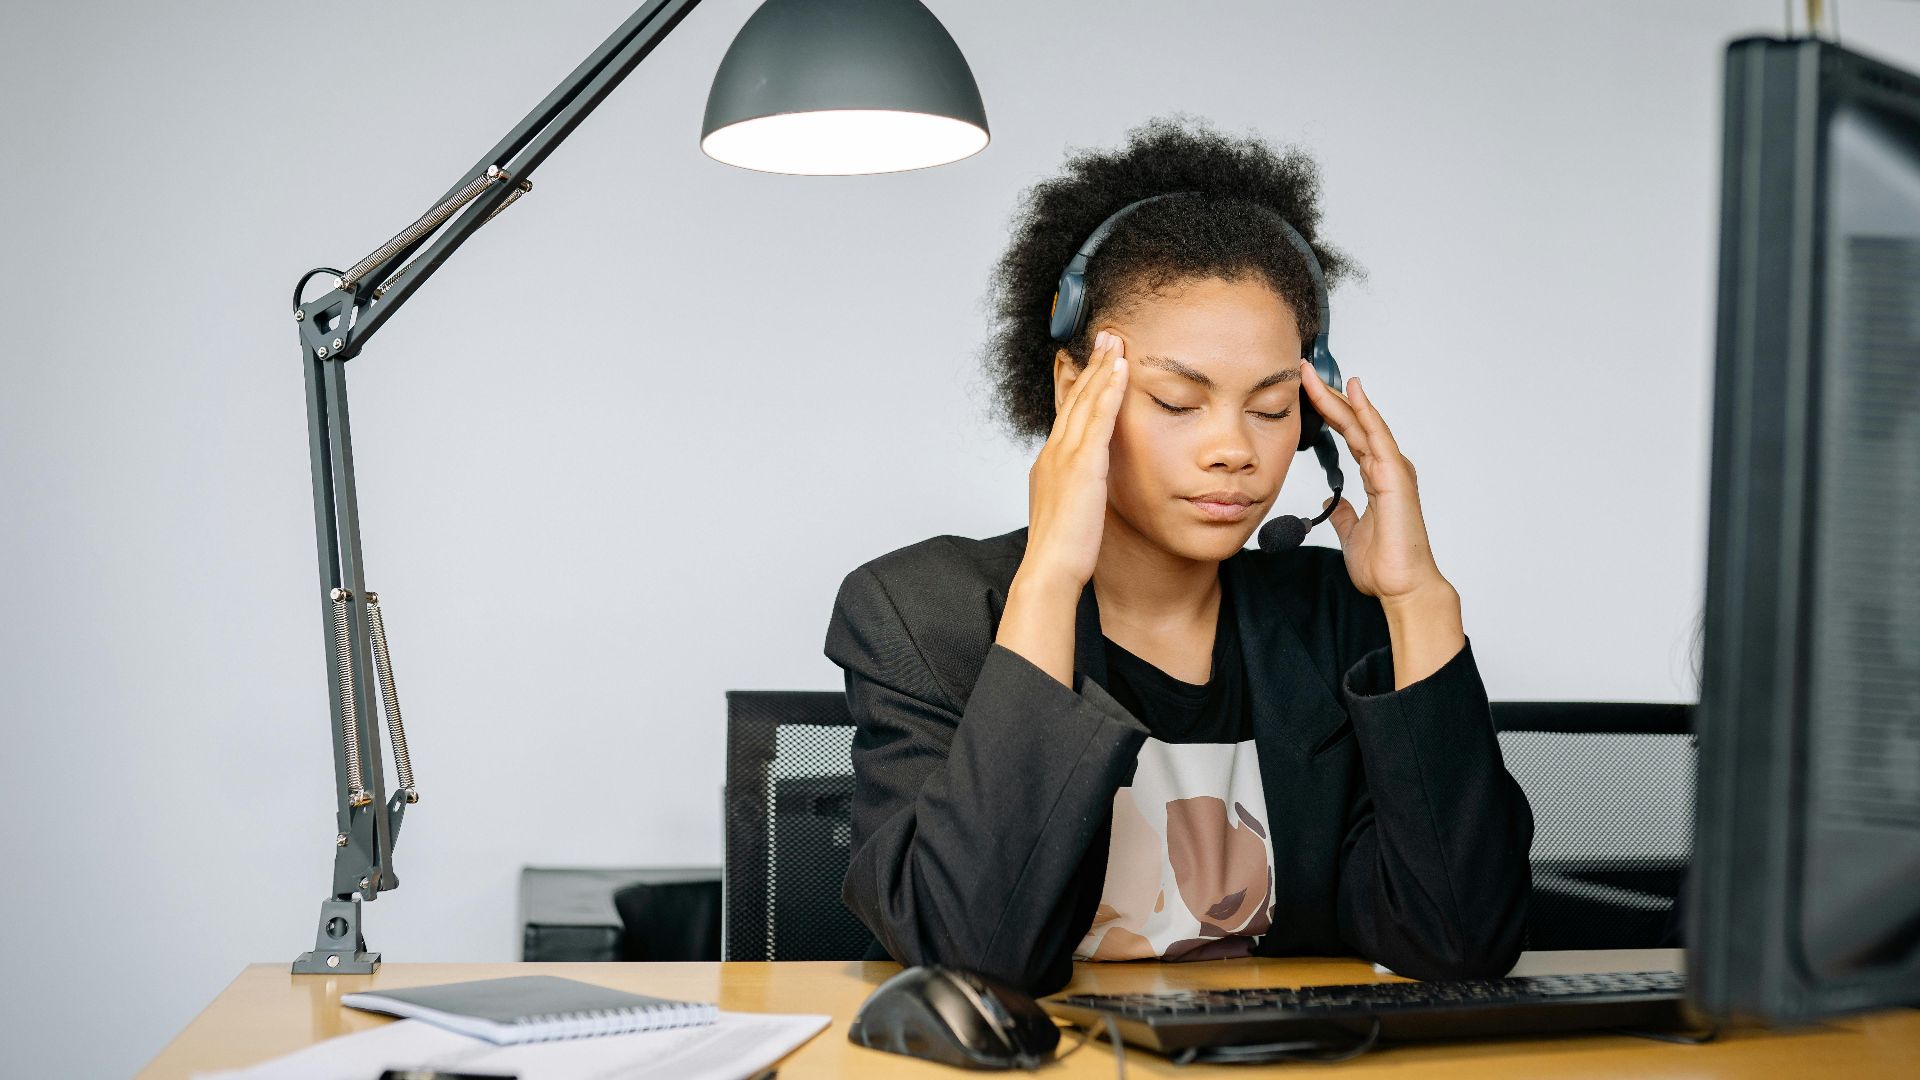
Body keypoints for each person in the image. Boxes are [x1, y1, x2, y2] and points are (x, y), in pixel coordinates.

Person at [823, 115, 1534, 996]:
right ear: (1074, 390)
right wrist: (1049, 577)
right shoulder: (922, 612)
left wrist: (1419, 598)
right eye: (1176, 401)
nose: (1234, 449)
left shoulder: (1334, 618)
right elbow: (975, 957)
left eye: (1272, 410)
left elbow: (1460, 940)